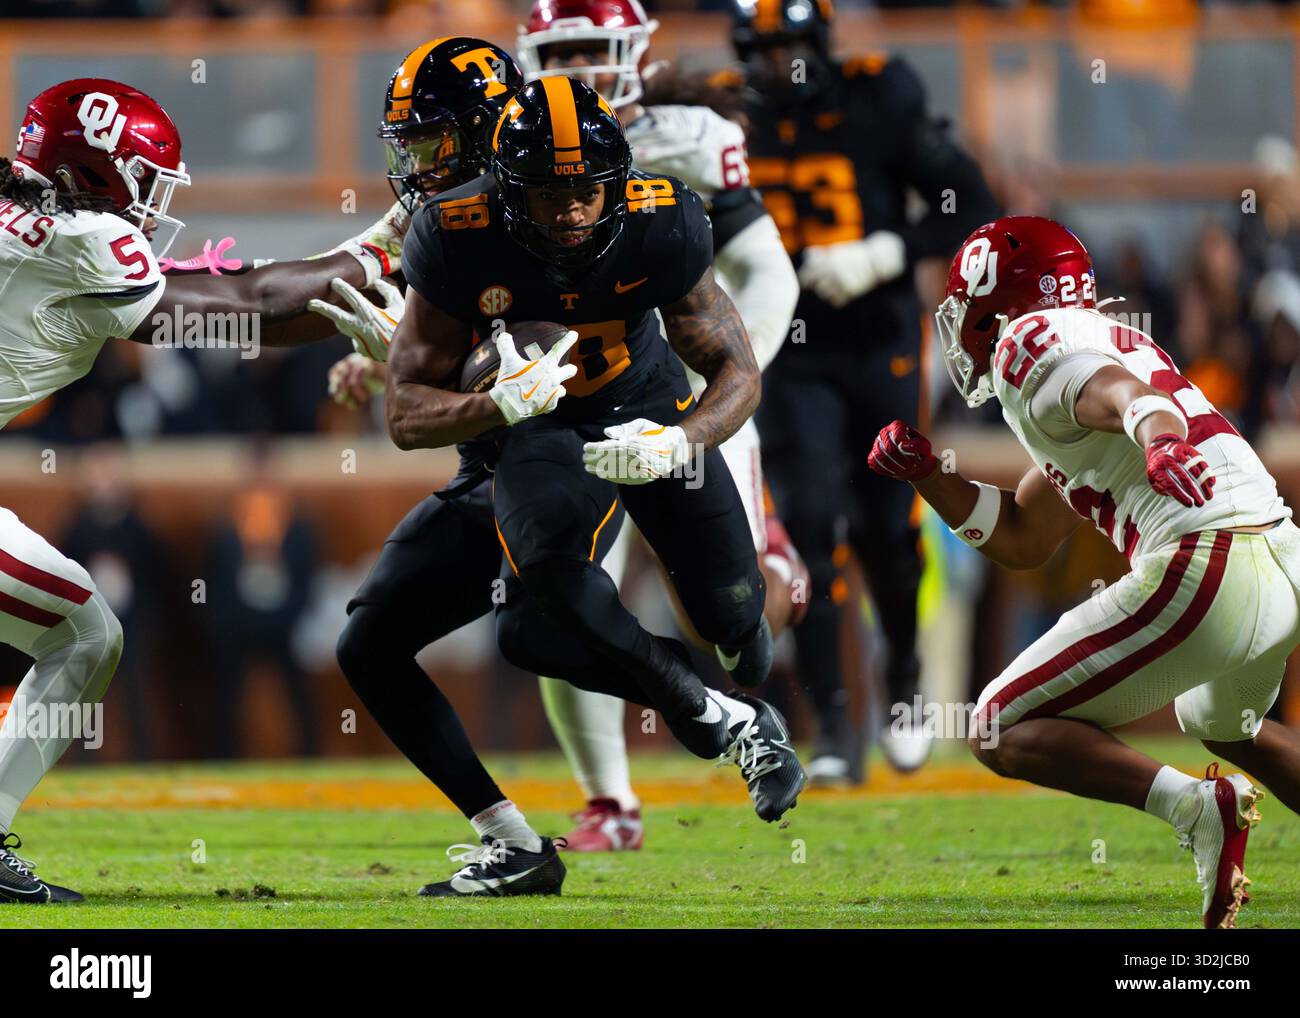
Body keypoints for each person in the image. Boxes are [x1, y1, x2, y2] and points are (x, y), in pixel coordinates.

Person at [379, 76, 806, 897]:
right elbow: (403, 412)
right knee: (547, 585)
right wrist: (491, 404)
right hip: (543, 427)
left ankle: (741, 681)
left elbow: (737, 373)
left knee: (735, 617)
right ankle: (724, 721)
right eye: (548, 195)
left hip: (651, 411)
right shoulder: (455, 232)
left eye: (587, 191)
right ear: (507, 192)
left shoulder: (663, 217)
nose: (573, 211)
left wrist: (678, 440)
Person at [0, 77, 406, 902]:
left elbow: (226, 314)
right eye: (146, 179)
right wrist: (383, 249)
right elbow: (245, 303)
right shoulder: (81, 240)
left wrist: (350, 280)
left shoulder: (43, 226)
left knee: (84, 633)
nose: (153, 204)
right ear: (99, 170)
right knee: (83, 637)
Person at [868, 215, 1299, 929]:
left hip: (1211, 560)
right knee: (1224, 720)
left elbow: (1127, 397)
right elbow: (1027, 534)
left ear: (996, 300)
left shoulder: (1025, 344)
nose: (961, 329)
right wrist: (930, 478)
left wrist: (1158, 440)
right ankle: (1207, 799)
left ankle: (1196, 808)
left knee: (999, 727)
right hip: (1278, 560)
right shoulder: (1088, 336)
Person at [514, 0, 804, 850]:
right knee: (570, 589)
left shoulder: (689, 137)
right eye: (557, 52)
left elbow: (767, 272)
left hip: (682, 402)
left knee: (738, 604)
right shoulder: (511, 149)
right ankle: (610, 801)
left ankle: (755, 614)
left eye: (589, 51)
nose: (572, 70)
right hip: (577, 402)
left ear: (632, 53)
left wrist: (719, 387)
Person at [729, 0, 1001, 781]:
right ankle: (834, 729)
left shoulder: (877, 97)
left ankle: (906, 682)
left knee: (887, 525)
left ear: (818, 45)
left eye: (789, 48)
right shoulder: (730, 121)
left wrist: (886, 252)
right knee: (811, 525)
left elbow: (971, 206)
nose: (777, 66)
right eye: (763, 50)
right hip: (786, 350)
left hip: (878, 342)